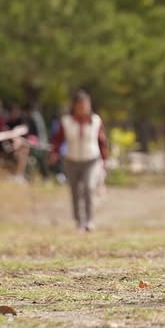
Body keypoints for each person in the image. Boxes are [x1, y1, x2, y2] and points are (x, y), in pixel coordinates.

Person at [47, 90, 110, 232]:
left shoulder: (96, 121)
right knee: (75, 191)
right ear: (74, 106)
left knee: (88, 188)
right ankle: (79, 222)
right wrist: (54, 153)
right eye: (80, 105)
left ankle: (89, 220)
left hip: (91, 160)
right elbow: (57, 140)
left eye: (86, 105)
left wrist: (105, 159)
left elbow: (101, 141)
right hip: (71, 160)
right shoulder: (66, 122)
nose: (83, 108)